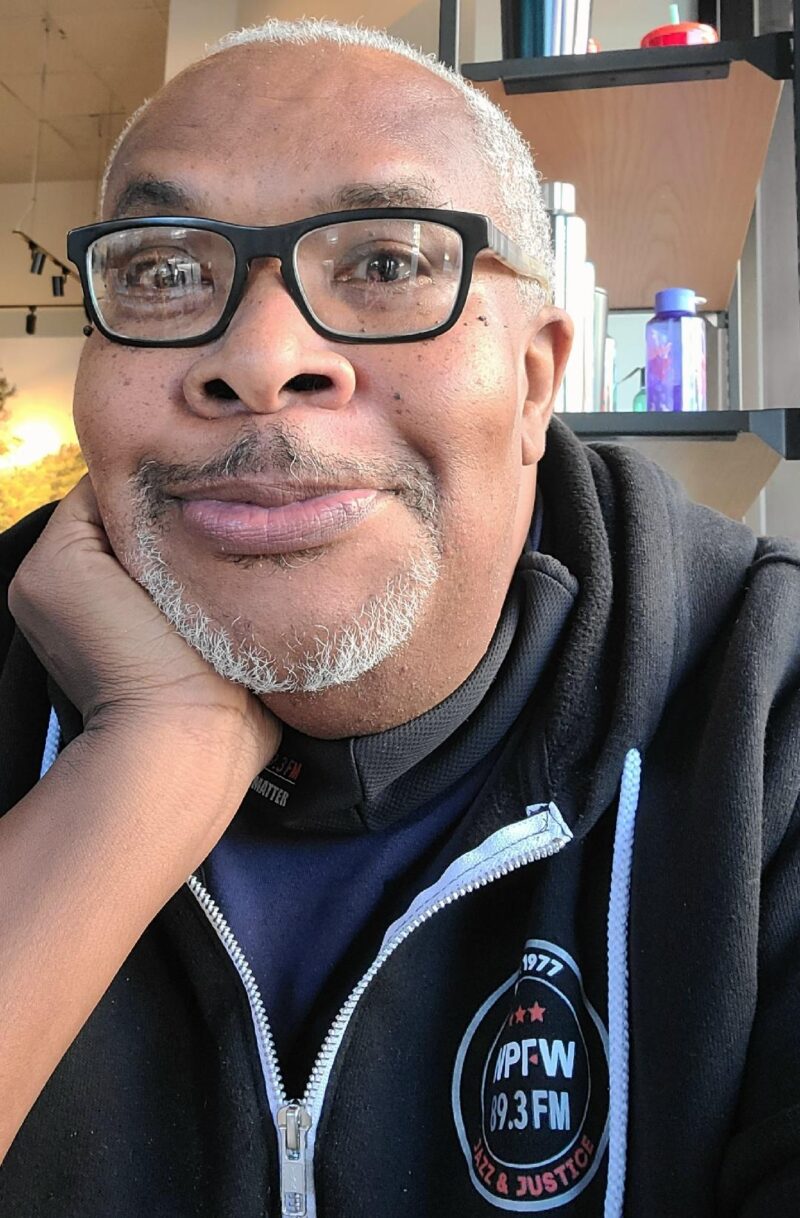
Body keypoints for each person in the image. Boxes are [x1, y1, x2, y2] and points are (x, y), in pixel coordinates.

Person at [1, 17, 799, 1218]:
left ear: (535, 380)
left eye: (383, 265)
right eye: (166, 272)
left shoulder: (767, 707)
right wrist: (146, 760)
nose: (260, 357)